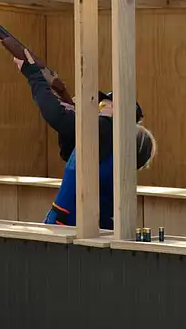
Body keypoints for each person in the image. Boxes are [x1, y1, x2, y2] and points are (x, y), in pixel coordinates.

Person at [14, 49, 156, 229]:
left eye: (105, 105)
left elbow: (56, 118)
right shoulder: (109, 139)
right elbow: (67, 152)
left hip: (72, 227)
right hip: (87, 225)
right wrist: (68, 112)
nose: (99, 108)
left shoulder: (106, 128)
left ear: (121, 116)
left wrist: (33, 74)